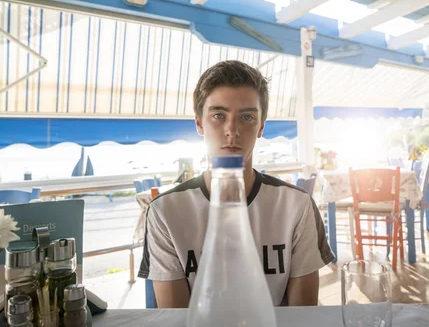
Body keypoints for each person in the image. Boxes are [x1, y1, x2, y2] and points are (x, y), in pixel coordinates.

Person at [138, 60, 334, 308]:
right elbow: (176, 317)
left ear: (261, 126)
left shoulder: (296, 206)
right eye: (218, 115)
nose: (232, 129)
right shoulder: (165, 212)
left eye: (247, 117)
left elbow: (303, 315)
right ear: (199, 123)